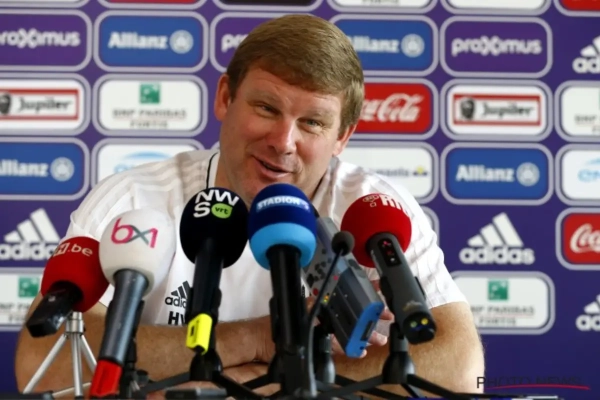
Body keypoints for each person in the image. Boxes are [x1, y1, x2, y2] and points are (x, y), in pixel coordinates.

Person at [14, 14, 484, 398]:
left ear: (342, 136)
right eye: (266, 108)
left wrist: (275, 382)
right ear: (225, 98)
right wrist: (256, 338)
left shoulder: (372, 210)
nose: (283, 141)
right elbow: (41, 360)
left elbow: (459, 368)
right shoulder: (135, 199)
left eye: (313, 123)